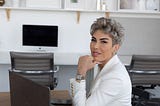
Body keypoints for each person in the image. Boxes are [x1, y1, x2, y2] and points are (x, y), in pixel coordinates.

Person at [70, 17, 132, 106]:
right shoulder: (101, 65)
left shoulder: (115, 77)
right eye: (93, 40)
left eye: (103, 42)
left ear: (115, 48)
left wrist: (81, 71)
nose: (95, 46)